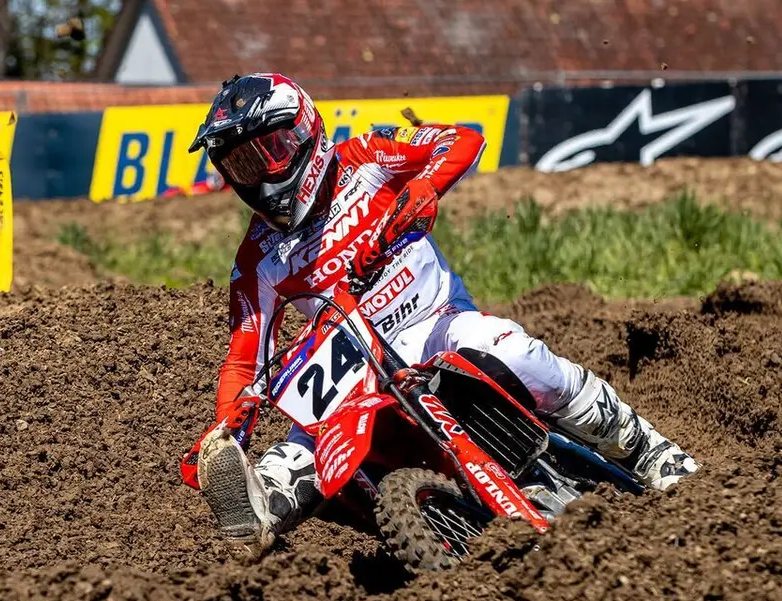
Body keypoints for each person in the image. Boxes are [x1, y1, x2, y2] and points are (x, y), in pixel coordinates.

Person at [180, 73, 698, 547]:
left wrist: (423, 189)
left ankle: (647, 450)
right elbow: (244, 358)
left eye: (265, 153)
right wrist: (227, 432)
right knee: (289, 464)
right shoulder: (257, 258)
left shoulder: (365, 158)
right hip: (350, 374)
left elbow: (461, 141)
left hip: (436, 325)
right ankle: (254, 520)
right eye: (240, 166)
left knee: (515, 351)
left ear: (302, 132)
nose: (258, 178)